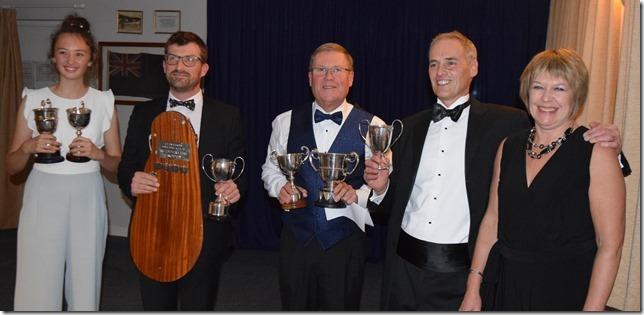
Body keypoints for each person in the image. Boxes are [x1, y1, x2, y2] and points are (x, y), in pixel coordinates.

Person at [363, 31, 625, 311]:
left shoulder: (508, 124)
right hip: (405, 270)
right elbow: (395, 202)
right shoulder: (406, 127)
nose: (441, 71)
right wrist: (381, 189)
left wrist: (613, 145)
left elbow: (565, 142)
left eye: (451, 62)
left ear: (473, 67)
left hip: (465, 274)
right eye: (433, 63)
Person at [459, 48, 625, 311]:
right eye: (538, 87)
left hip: (566, 292)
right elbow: (492, 220)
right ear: (526, 92)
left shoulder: (597, 151)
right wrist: (473, 288)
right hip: (505, 287)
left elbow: (610, 247)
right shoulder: (508, 147)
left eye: (559, 88)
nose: (547, 98)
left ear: (576, 95)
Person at [117, 31, 246, 310]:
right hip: (152, 229)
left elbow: (239, 169)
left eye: (189, 59)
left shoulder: (227, 116)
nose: (180, 66)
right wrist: (130, 180)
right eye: (173, 58)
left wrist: (235, 188)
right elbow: (127, 166)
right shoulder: (143, 114)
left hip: (205, 233)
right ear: (164, 65)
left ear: (204, 68)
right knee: (155, 306)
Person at [6, 15, 121, 311]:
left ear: (91, 59)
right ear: (53, 57)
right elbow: (11, 166)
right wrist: (30, 147)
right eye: (63, 52)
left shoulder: (103, 101)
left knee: (86, 274)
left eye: (79, 53)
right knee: (37, 274)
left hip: (87, 193)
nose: (71, 60)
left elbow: (116, 165)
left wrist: (97, 154)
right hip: (43, 191)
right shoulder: (32, 100)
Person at [261, 43, 385, 310]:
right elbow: (270, 169)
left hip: (345, 240)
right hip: (296, 238)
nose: (328, 77)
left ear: (350, 78)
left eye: (337, 69)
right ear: (309, 78)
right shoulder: (284, 121)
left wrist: (359, 193)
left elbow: (383, 185)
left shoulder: (375, 126)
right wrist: (280, 186)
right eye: (321, 69)